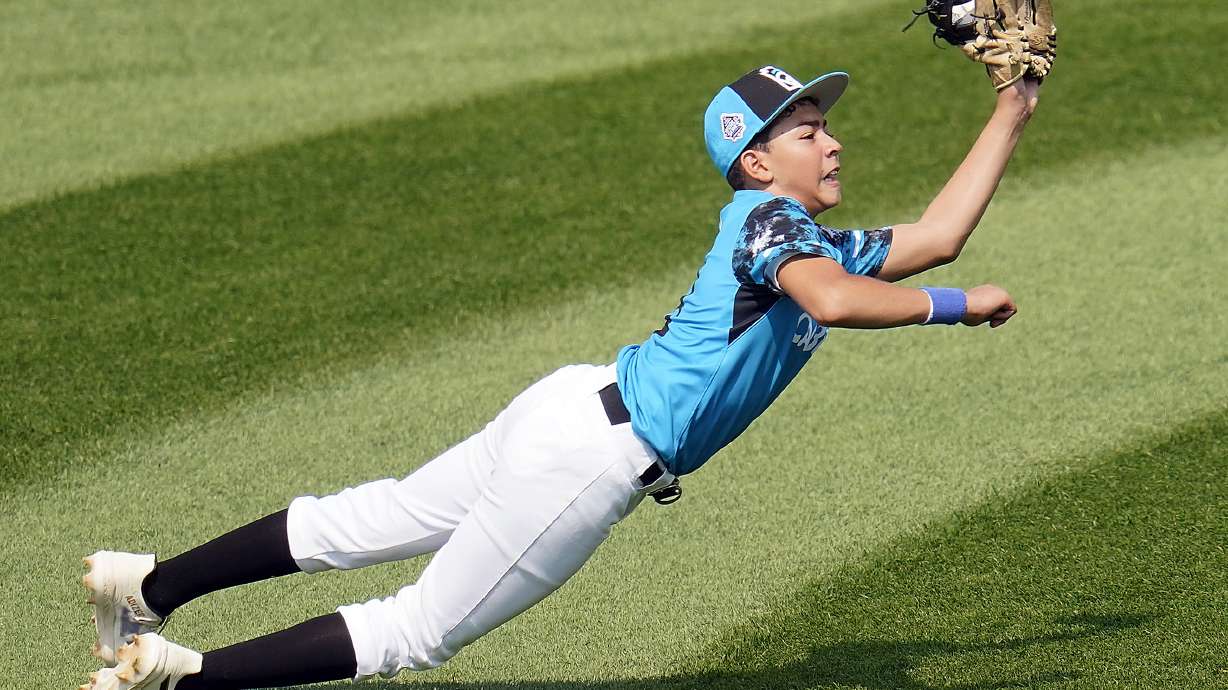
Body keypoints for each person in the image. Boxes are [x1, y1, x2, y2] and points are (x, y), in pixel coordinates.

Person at [80, 64, 1037, 690]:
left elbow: (940, 234)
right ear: (755, 158)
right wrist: (955, 306)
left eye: (825, 127)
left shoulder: (806, 234)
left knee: (357, 521)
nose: (831, 144)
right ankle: (179, 679)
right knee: (416, 631)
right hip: (593, 456)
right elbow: (830, 301)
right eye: (808, 132)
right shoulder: (766, 223)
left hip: (570, 406)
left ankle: (147, 587)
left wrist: (1011, 109)